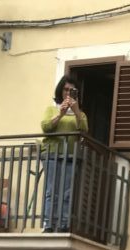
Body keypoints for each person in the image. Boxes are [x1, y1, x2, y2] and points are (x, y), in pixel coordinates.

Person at [40, 76, 88, 232]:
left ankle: (63, 224)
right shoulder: (52, 109)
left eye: (72, 90)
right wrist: (60, 113)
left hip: (70, 155)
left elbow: (84, 130)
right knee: (51, 191)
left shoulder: (80, 113)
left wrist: (76, 111)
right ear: (60, 90)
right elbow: (46, 127)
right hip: (52, 153)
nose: (68, 93)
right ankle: (49, 224)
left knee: (67, 192)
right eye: (65, 89)